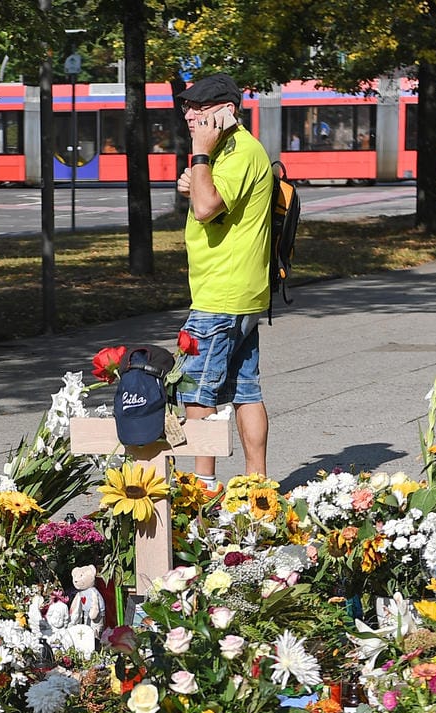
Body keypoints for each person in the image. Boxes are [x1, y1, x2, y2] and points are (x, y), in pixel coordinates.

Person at [174, 72, 272, 481]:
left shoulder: (238, 152)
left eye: (200, 109)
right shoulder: (229, 152)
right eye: (187, 108)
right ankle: (256, 485)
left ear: (228, 112)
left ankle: (204, 486)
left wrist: (198, 156)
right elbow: (209, 199)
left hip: (221, 297)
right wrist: (196, 179)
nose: (190, 116)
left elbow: (205, 207)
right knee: (245, 390)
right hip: (241, 294)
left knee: (196, 392)